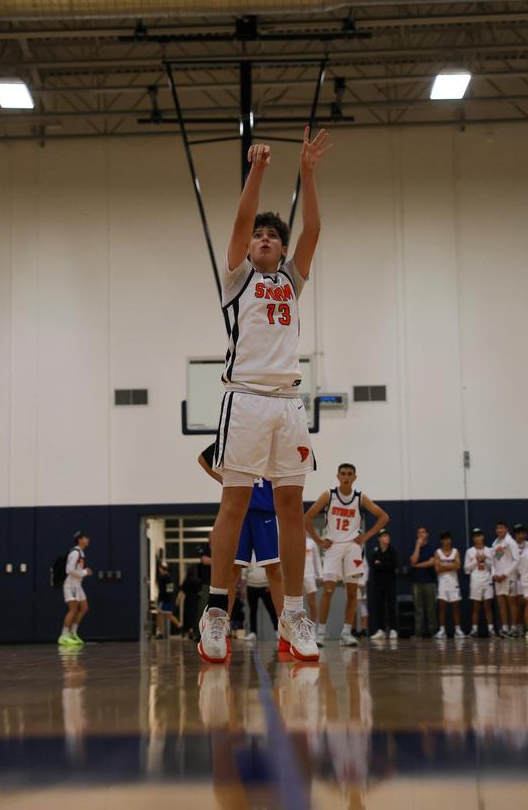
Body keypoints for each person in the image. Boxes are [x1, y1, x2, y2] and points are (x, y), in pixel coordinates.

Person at [198, 129, 332, 664]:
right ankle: (215, 612)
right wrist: (256, 171)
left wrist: (308, 173)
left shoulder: (291, 282)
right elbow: (238, 223)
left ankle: (294, 615)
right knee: (233, 502)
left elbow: (313, 229)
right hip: (245, 399)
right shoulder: (238, 280)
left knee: (291, 507)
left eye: (273, 236)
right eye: (259, 236)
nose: (265, 239)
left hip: (288, 403)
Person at [199, 443, 284, 633]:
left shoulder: (271, 439)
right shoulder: (234, 437)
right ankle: (222, 628)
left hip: (265, 512)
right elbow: (203, 459)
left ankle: (284, 630)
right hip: (239, 512)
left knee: (274, 569)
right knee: (232, 571)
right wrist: (224, 481)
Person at [305, 462, 388, 647]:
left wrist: (366, 535)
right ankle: (320, 633)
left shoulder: (359, 497)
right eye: (343, 473)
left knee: (352, 593)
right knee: (328, 590)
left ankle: (346, 633)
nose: (346, 477)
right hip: (333, 546)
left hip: (353, 547)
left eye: (350, 474)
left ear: (354, 477)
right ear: (338, 476)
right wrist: (319, 541)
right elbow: (307, 518)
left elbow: (384, 516)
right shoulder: (329, 495)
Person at [59, 532, 91, 647]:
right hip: (70, 585)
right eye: (85, 537)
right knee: (73, 609)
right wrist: (84, 572)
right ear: (79, 540)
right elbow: (70, 570)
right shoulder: (75, 552)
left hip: (78, 585)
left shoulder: (81, 552)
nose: (88, 539)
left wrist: (83, 572)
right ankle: (63, 636)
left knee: (84, 607)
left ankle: (73, 633)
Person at [464, 528, 495, 638]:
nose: (477, 538)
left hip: (487, 580)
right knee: (476, 607)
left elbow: (494, 566)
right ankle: (474, 630)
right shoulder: (469, 551)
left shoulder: (489, 550)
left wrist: (485, 559)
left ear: (483, 537)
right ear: (473, 539)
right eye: (475, 536)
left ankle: (491, 630)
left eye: (479, 535)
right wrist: (476, 560)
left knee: (488, 606)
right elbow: (466, 569)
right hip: (475, 581)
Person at [490, 521, 520, 637]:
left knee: (512, 603)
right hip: (498, 578)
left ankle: (514, 628)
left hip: (509, 577)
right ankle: (505, 628)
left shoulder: (511, 542)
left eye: (502, 528)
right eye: (498, 528)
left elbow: (516, 560)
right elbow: (494, 561)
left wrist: (505, 574)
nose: (499, 530)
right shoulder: (495, 543)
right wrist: (494, 574)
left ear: (506, 529)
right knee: (501, 603)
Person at [434, 532, 464, 638]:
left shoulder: (455, 551)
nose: (447, 541)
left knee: (456, 607)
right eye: (445, 539)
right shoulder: (438, 552)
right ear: (441, 541)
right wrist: (451, 565)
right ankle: (442, 630)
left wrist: (443, 565)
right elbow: (437, 569)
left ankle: (458, 629)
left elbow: (458, 566)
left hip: (453, 583)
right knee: (442, 607)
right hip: (442, 583)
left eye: (449, 539)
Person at [370, 529, 398, 639]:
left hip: (390, 583)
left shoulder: (392, 551)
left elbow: (393, 565)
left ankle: (393, 629)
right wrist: (383, 564)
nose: (387, 538)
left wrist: (381, 563)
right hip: (378, 583)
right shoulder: (376, 552)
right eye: (384, 536)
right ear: (379, 539)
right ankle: (381, 630)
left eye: (388, 536)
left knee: (391, 606)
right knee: (379, 607)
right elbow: (374, 565)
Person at [410, 526, 437, 638]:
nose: (421, 534)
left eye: (423, 532)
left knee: (431, 608)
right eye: (419, 532)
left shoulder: (432, 548)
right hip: (416, 582)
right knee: (418, 609)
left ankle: (433, 632)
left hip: (430, 581)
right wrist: (417, 546)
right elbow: (413, 561)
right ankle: (418, 633)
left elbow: (432, 562)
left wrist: (417, 565)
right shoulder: (414, 547)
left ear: (427, 534)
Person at [243, 558, 279, 640]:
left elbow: (272, 570)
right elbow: (244, 573)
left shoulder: (265, 554)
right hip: (251, 586)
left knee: (271, 610)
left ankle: (278, 631)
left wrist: (271, 584)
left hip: (265, 586)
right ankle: (253, 632)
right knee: (252, 610)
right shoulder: (250, 555)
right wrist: (243, 588)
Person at [512, 523, 528, 637]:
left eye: (524, 533)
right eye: (520, 533)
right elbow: (499, 558)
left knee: (526, 603)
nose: (523, 535)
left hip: (526, 577)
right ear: (516, 534)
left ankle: (525, 626)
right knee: (517, 603)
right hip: (514, 577)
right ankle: (517, 626)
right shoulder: (509, 544)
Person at [155, 561, 181, 638]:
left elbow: (161, 590)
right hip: (169, 600)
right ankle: (179, 625)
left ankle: (159, 632)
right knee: (168, 615)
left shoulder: (162, 578)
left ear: (161, 569)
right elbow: (170, 590)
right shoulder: (169, 577)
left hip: (163, 600)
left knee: (160, 615)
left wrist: (160, 600)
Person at [304, 534, 323, 624]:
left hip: (309, 575)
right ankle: (297, 628)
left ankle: (312, 626)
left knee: (311, 602)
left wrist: (320, 575)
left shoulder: (311, 543)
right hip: (296, 577)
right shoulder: (292, 541)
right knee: (296, 604)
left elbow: (317, 559)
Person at [355, 552, 369, 638]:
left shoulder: (362, 557)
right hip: (350, 584)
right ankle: (352, 630)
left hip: (359, 586)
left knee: (361, 607)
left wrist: (362, 582)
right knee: (352, 608)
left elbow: (365, 570)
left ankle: (364, 630)